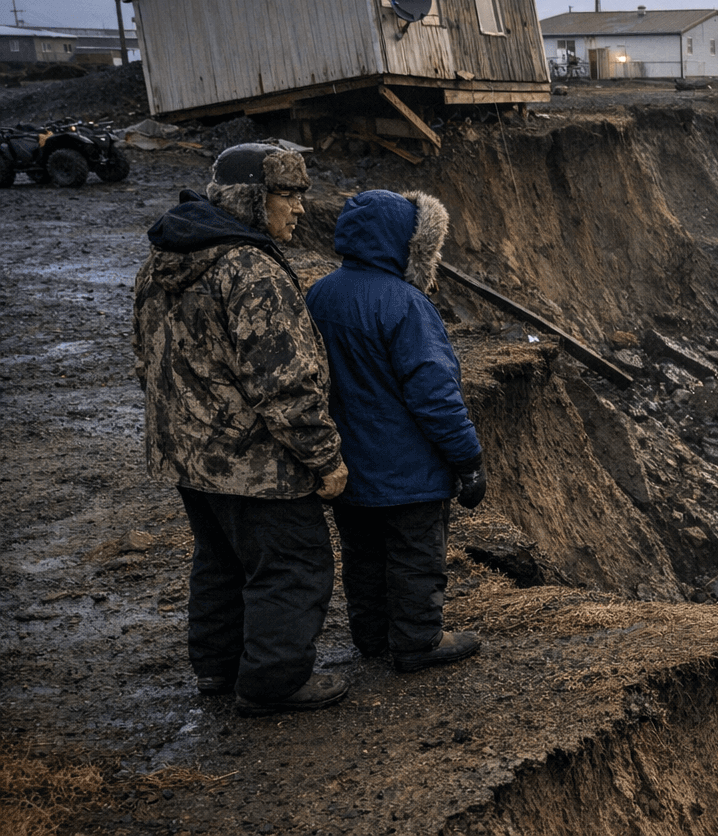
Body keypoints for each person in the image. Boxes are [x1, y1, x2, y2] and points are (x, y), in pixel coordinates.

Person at [132, 143, 351, 717]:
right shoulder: (251, 270)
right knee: (293, 564)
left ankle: (218, 669)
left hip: (188, 458)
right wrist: (325, 458)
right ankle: (273, 682)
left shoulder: (161, 262)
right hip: (255, 464)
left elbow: (145, 360)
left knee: (221, 560)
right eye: (288, 193)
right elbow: (285, 383)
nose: (299, 208)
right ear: (252, 197)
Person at [304, 189, 485, 673]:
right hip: (408, 468)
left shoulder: (320, 294)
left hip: (348, 464)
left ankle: (373, 637)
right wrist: (468, 459)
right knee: (415, 555)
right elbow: (435, 395)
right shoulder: (407, 305)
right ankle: (418, 641)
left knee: (363, 556)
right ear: (409, 243)